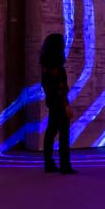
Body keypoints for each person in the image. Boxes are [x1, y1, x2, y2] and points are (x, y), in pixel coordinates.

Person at [39, 32, 74, 174]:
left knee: (51, 131)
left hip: (52, 102)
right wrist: (66, 105)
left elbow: (49, 88)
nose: (64, 45)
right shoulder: (57, 69)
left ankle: (49, 163)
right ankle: (65, 165)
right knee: (63, 133)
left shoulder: (46, 67)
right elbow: (60, 89)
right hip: (59, 103)